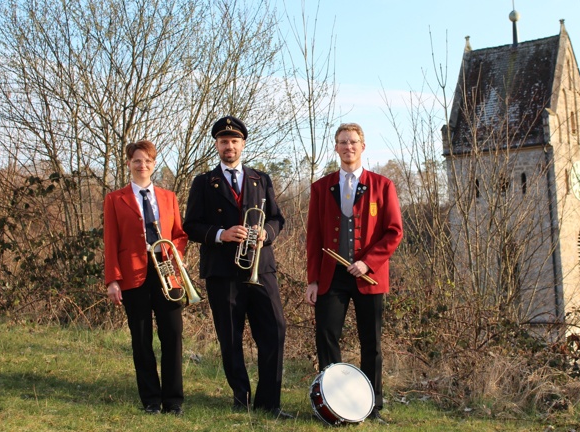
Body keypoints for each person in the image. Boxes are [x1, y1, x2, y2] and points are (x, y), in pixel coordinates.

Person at [183, 115, 291, 419]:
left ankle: (269, 403)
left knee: (275, 329)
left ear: (242, 144)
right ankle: (240, 398)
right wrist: (221, 234)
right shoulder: (204, 182)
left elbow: (277, 218)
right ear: (217, 145)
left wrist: (266, 234)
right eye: (223, 141)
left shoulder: (261, 179)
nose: (228, 146)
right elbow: (191, 225)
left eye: (234, 141)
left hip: (261, 267)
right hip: (222, 271)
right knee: (230, 336)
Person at [305, 122, 403, 424]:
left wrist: (368, 262)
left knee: (371, 343)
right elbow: (314, 237)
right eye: (343, 142)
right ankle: (333, 404)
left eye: (353, 142)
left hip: (369, 277)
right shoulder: (321, 187)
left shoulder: (383, 185)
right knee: (326, 336)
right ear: (336, 147)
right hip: (330, 275)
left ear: (363, 146)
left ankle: (372, 407)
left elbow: (394, 231)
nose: (348, 147)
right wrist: (312, 279)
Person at [104, 139, 188, 416]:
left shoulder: (168, 196)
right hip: (133, 274)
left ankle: (173, 401)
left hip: (166, 271)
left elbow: (179, 234)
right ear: (129, 163)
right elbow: (110, 241)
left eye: (148, 161)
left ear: (154, 164)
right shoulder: (115, 199)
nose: (143, 165)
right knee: (141, 339)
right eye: (137, 160)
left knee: (173, 334)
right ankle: (151, 400)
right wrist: (112, 280)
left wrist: (176, 255)